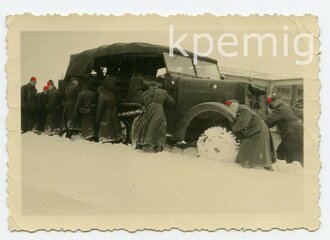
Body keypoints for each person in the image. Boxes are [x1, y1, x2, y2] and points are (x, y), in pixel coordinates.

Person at [226, 100, 274, 170]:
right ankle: (254, 164)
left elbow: (243, 122)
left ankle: (249, 164)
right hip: (256, 130)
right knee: (259, 149)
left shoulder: (243, 110)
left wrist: (233, 128)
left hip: (258, 131)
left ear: (234, 106)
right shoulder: (241, 110)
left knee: (256, 148)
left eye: (231, 107)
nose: (231, 109)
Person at [132, 82, 175, 152]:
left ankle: (140, 144)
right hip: (159, 110)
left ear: (150, 86)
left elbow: (140, 100)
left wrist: (139, 93)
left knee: (143, 124)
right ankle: (159, 146)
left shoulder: (148, 92)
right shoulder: (163, 92)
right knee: (161, 127)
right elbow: (172, 102)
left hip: (149, 110)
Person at [264, 96, 304, 166]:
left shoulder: (281, 110)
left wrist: (258, 125)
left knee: (294, 158)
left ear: (278, 100)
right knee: (280, 153)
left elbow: (267, 121)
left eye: (271, 102)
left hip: (292, 136)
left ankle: (296, 173)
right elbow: (271, 123)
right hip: (294, 135)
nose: (270, 105)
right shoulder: (287, 107)